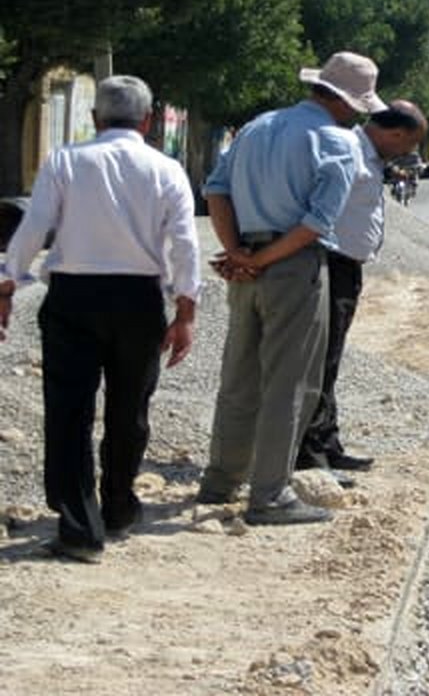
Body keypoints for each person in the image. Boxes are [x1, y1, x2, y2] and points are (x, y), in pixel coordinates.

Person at [0, 75, 200, 563]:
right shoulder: (166, 169)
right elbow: (185, 243)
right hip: (139, 301)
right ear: (148, 121)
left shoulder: (67, 161)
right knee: (129, 409)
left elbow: (34, 227)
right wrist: (186, 311)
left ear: (95, 119)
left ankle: (78, 528)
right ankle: (118, 506)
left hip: (73, 298)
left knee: (69, 413)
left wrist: (8, 282)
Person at [197, 51, 384, 526]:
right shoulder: (337, 142)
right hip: (293, 267)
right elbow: (315, 223)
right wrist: (260, 259)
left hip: (247, 266)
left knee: (238, 377)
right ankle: (270, 495)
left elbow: (215, 189)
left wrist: (238, 252)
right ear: (349, 101)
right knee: (291, 383)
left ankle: (220, 480)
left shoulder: (259, 126)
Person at [295, 100, 427, 484]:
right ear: (395, 134)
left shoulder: (369, 157)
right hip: (331, 264)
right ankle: (310, 457)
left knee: (331, 361)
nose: (407, 153)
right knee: (322, 360)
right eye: (408, 145)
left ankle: (327, 444)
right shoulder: (349, 150)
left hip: (346, 266)